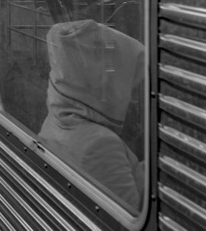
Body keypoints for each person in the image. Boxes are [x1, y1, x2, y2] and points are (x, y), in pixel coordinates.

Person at [37, 19, 144, 210]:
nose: (131, 98)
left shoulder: (58, 119)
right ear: (105, 84)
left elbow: (122, 176)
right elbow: (132, 214)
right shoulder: (100, 145)